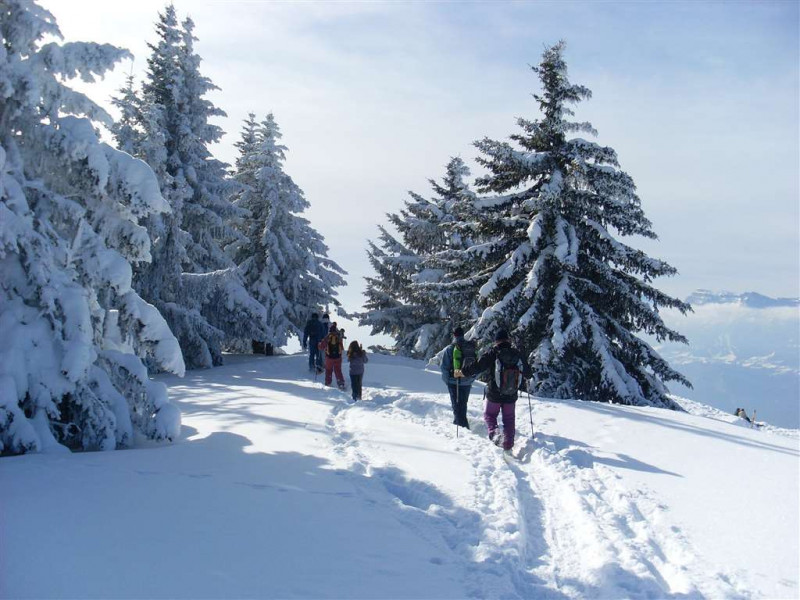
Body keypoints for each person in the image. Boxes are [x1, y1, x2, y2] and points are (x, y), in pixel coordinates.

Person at [458, 329, 532, 452]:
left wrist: (463, 371)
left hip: (494, 393)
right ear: (508, 340)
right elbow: (528, 374)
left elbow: (478, 366)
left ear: (496, 341)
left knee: (490, 415)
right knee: (509, 418)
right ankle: (508, 443)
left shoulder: (493, 353)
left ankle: (495, 434)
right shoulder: (517, 354)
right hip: (511, 394)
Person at [440, 327, 477, 429]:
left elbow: (444, 367)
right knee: (463, 405)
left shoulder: (450, 348)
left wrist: (447, 381)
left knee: (456, 406)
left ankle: (462, 427)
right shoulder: (470, 347)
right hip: (467, 382)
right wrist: (471, 379)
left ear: (454, 335)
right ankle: (461, 424)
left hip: (454, 381)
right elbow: (476, 366)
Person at [318, 322, 345, 389]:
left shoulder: (327, 337)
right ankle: (340, 383)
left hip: (329, 358)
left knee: (328, 370)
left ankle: (328, 383)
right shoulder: (338, 337)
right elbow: (341, 347)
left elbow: (321, 347)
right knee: (338, 370)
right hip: (338, 357)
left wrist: (319, 344)